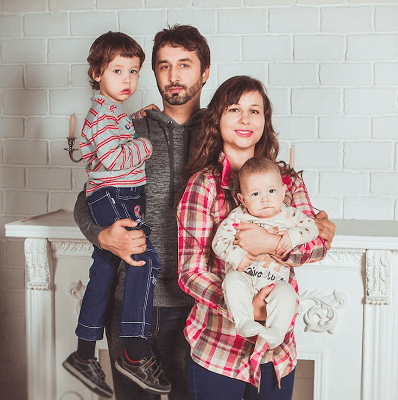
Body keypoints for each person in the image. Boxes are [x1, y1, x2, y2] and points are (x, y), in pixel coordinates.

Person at [73, 25, 211, 400]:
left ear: (205, 72)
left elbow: (261, 189)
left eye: (185, 64)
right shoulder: (130, 127)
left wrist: (313, 219)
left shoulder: (222, 131)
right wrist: (102, 236)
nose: (174, 75)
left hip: (198, 305)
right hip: (132, 300)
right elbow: (88, 196)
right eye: (164, 66)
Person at [177, 75, 332, 400]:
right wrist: (244, 307)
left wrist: (271, 244)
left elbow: (315, 245)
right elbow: (190, 271)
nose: (245, 119)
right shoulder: (203, 186)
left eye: (255, 111)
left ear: (265, 120)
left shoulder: (286, 181)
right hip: (218, 349)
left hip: (277, 353)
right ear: (217, 119)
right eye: (234, 109)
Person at [62, 31, 170, 398]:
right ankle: (134, 352)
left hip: (115, 194)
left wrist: (135, 119)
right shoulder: (101, 116)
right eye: (117, 71)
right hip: (113, 196)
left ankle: (84, 352)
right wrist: (145, 144)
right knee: (145, 262)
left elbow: (115, 135)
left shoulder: (113, 114)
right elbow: (114, 157)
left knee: (105, 271)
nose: (127, 80)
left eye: (134, 72)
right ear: (96, 73)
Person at [212, 156, 319, 352]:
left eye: (271, 191)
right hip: (246, 280)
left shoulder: (290, 215)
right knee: (232, 280)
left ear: (283, 192)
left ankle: (277, 332)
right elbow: (218, 242)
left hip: (275, 284)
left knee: (287, 293)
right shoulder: (238, 216)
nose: (265, 199)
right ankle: (244, 322)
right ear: (242, 199)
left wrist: (291, 237)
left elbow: (312, 228)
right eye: (255, 194)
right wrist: (237, 257)